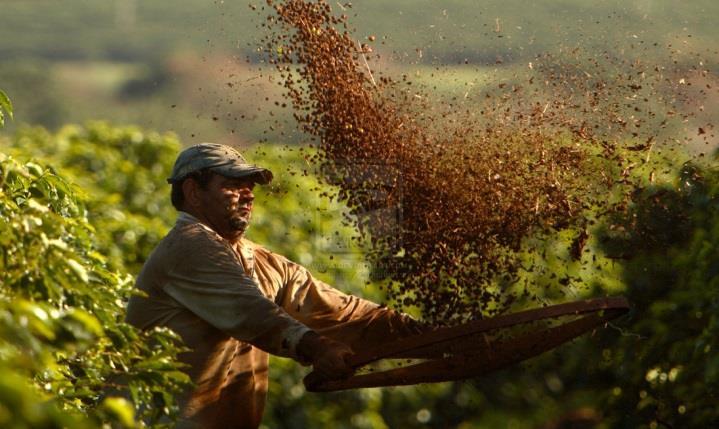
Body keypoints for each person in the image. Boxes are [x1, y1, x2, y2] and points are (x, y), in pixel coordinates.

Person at [125, 143, 422, 429]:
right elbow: (250, 312)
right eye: (232, 184)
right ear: (193, 191)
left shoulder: (256, 259)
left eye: (250, 186)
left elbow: (338, 311)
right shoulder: (186, 245)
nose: (248, 195)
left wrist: (428, 337)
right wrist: (316, 348)